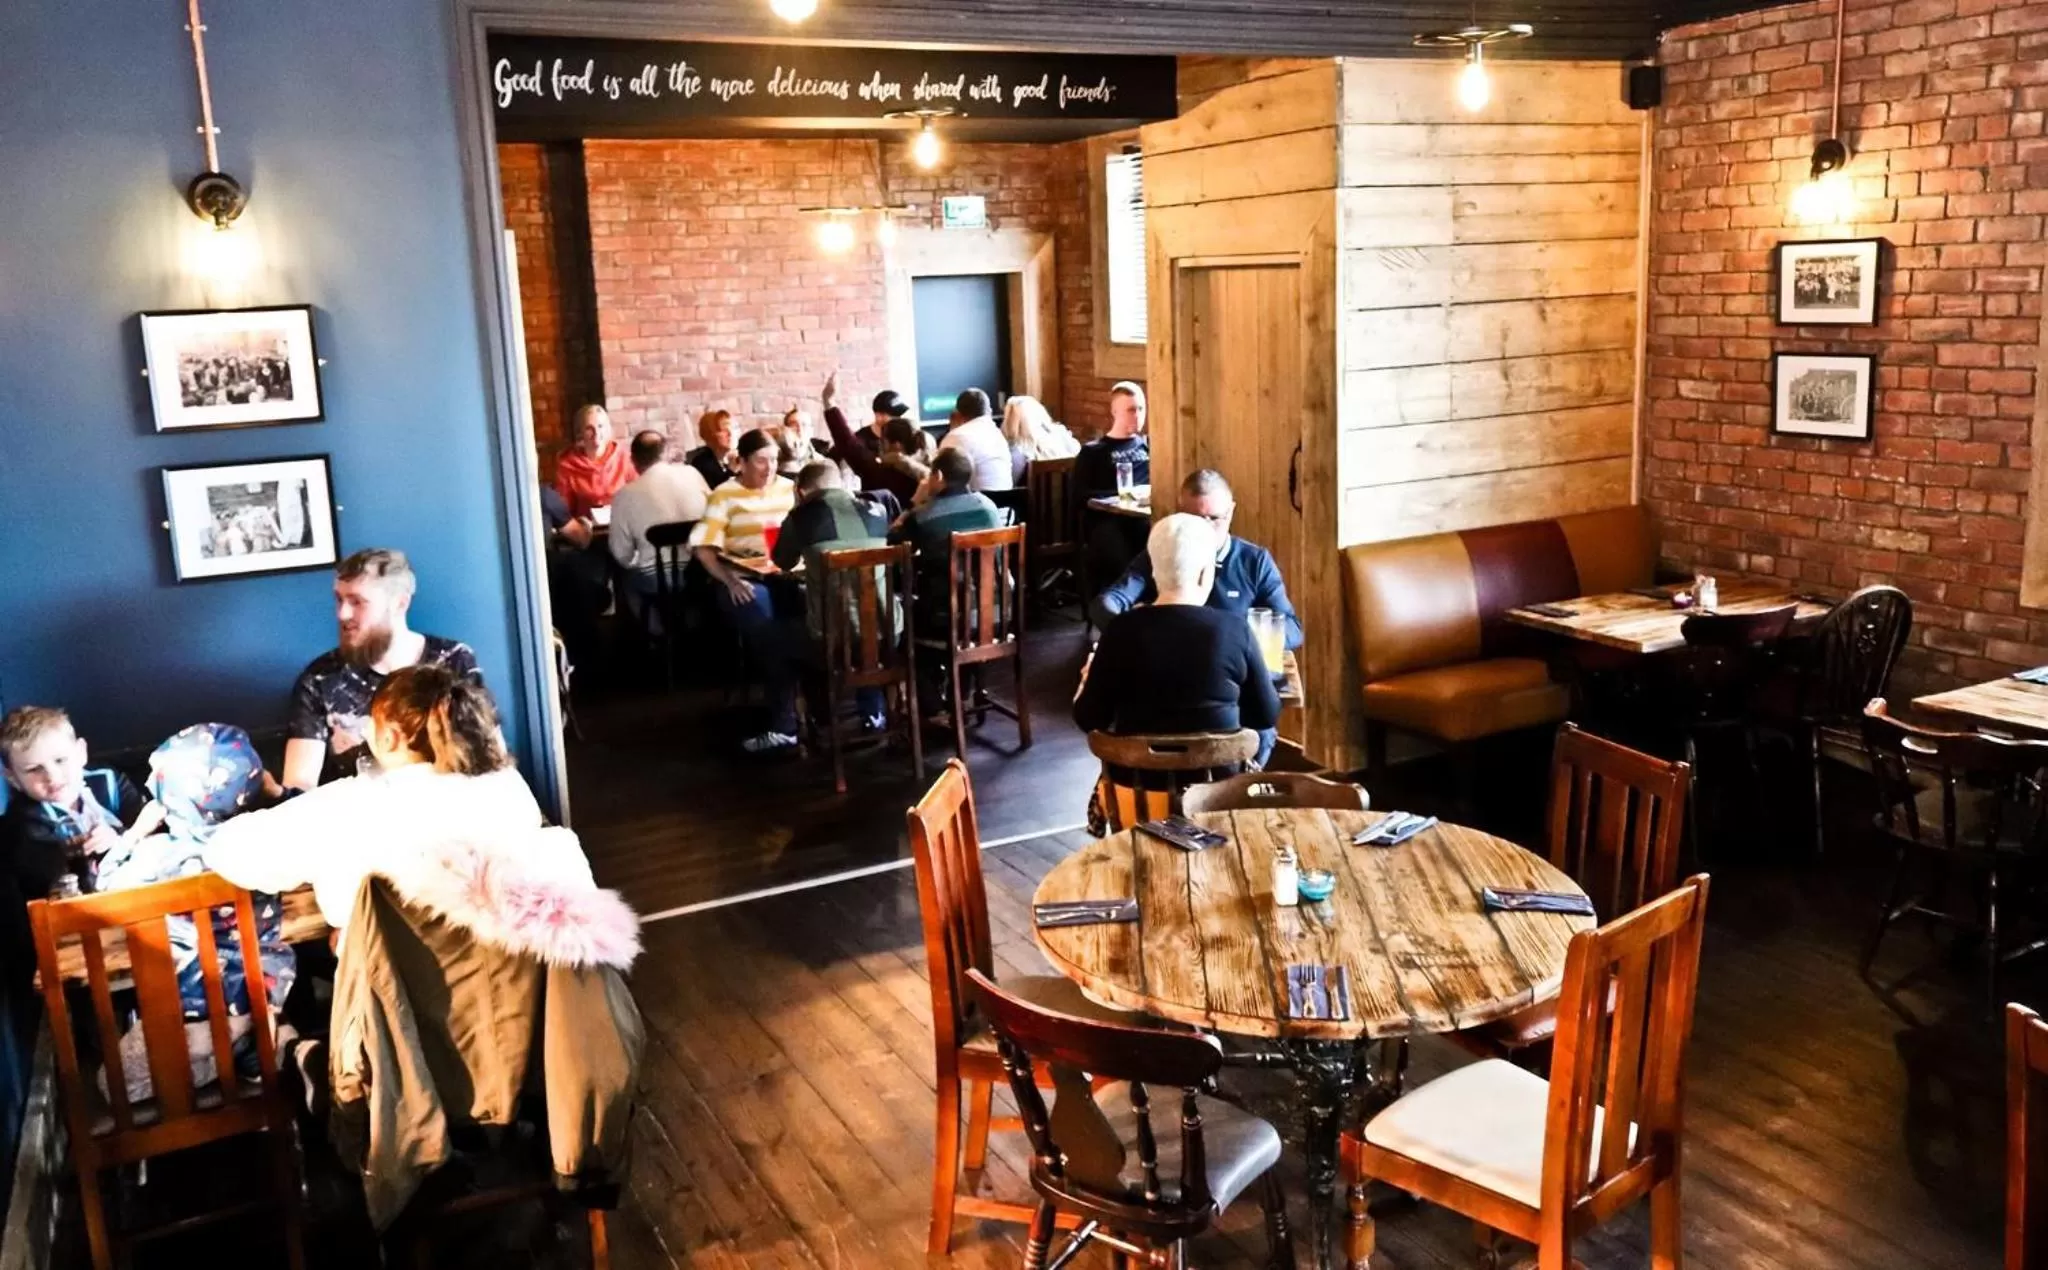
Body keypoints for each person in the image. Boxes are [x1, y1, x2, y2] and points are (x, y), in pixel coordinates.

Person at [209, 666, 589, 942]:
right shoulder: (509, 789)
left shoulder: (352, 807)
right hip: (511, 991)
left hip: (402, 1007)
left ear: (388, 738)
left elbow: (228, 854)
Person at [1073, 514, 1280, 757]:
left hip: (1138, 787)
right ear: (1206, 573)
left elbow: (1089, 719)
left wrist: (1086, 682)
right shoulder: (1236, 630)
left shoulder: (1120, 630)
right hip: (1215, 788)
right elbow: (1266, 715)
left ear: (1153, 571)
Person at [283, 548, 486, 790]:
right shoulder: (320, 677)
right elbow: (299, 785)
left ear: (400, 603)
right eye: (339, 599)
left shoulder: (454, 661)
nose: (342, 613)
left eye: (357, 602)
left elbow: (488, 754)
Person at [1090, 469, 1304, 648]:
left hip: (1232, 666)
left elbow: (1292, 629)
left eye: (1214, 519)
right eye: (1196, 519)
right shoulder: (1164, 551)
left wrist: (1235, 634)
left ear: (1230, 512)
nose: (1205, 528)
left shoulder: (1255, 561)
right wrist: (1136, 629)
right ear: (1181, 513)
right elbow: (1106, 604)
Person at [689, 431, 799, 749]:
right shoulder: (724, 495)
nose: (770, 468)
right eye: (762, 461)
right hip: (745, 579)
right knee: (770, 631)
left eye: (775, 460)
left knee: (813, 619)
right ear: (742, 462)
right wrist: (729, 580)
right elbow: (703, 548)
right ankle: (784, 722)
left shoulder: (789, 489)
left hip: (787, 576)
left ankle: (821, 712)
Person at [0, 706, 165, 901]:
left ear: (80, 753)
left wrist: (119, 838)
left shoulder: (108, 780)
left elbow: (153, 827)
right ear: (12, 778)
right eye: (34, 769)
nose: (52, 777)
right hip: (80, 909)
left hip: (140, 889)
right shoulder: (21, 820)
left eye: (60, 760)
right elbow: (42, 875)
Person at [609, 428, 711, 597]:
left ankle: (651, 623)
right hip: (700, 571)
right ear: (667, 454)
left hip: (655, 579)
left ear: (633, 460)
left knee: (623, 576)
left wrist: (640, 559)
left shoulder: (625, 495)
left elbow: (622, 555)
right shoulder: (692, 474)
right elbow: (714, 517)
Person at [821, 374, 924, 506]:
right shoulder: (930, 472)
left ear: (896, 445)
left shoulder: (881, 473)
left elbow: (848, 443)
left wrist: (828, 402)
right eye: (895, 415)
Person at [539, 484, 609, 674]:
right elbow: (581, 539)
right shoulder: (543, 494)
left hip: (542, 590)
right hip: (554, 582)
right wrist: (585, 525)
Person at [553, 404, 636, 519]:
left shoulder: (624, 458)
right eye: (589, 428)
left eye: (600, 426)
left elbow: (638, 498)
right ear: (580, 432)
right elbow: (563, 511)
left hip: (623, 526)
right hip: (587, 532)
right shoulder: (567, 466)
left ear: (607, 429)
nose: (596, 433)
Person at [1075, 381, 1150, 497]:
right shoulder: (1092, 452)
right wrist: (1125, 495)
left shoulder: (1148, 446)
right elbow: (1080, 496)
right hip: (1112, 512)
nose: (1137, 416)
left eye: (1141, 409)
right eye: (1131, 410)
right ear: (1114, 412)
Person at [936, 388, 1014, 492]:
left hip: (973, 505)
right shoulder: (998, 435)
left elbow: (939, 481)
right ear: (989, 411)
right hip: (1006, 504)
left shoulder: (956, 436)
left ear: (958, 414)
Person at [1002, 394, 1080, 485]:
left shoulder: (1016, 453)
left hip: (1031, 498)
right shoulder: (1061, 435)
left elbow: (1009, 484)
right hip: (1068, 496)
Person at [686, 408, 737, 490]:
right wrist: (731, 471)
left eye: (730, 429)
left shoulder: (724, 461)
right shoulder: (702, 463)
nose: (730, 434)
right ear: (710, 434)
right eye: (723, 430)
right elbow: (719, 493)